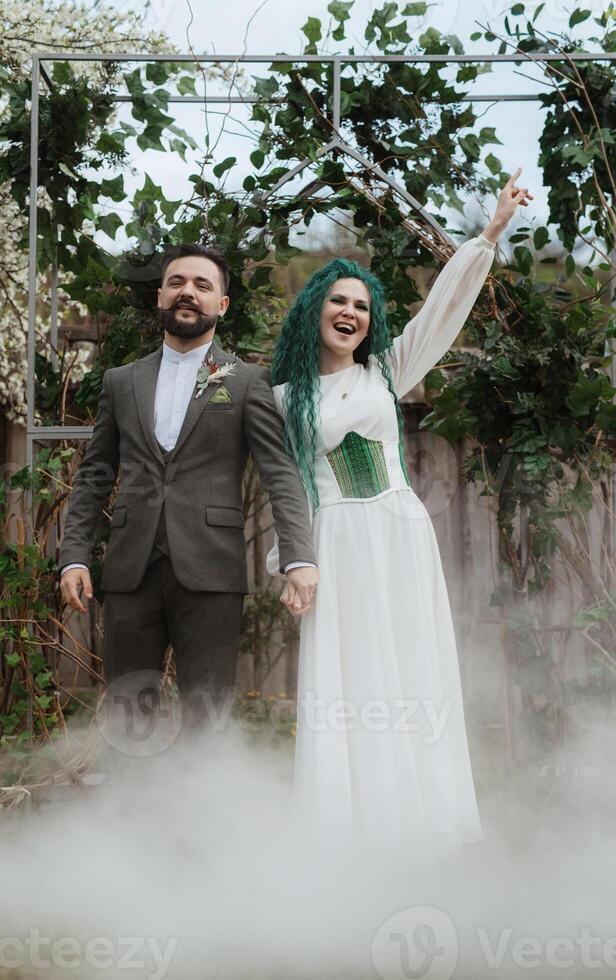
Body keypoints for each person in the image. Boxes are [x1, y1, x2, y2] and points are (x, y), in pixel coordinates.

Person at [266, 169, 533, 865]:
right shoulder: (285, 397)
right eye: (337, 300)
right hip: (338, 543)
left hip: (399, 535)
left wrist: (489, 234)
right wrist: (289, 565)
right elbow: (286, 487)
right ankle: (350, 839)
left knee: (410, 670)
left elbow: (441, 311)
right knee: (352, 681)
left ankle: (422, 830)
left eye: (361, 303)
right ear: (314, 311)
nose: (350, 311)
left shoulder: (387, 370)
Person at [59, 243, 319, 761]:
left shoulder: (247, 383)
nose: (188, 293)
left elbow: (280, 474)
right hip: (131, 569)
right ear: (160, 295)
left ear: (222, 305)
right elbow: (93, 475)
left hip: (211, 572)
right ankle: (133, 827)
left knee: (208, 714)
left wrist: (300, 557)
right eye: (178, 282)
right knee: (128, 713)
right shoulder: (120, 381)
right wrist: (74, 554)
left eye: (203, 285)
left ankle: (203, 831)